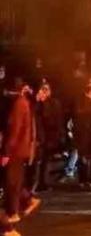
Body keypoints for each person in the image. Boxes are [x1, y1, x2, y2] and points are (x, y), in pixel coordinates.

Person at [1, 80, 41, 227]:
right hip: (20, 149)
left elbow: (14, 129)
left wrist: (6, 152)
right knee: (14, 180)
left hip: (15, 150)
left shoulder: (18, 104)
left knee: (11, 181)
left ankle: (13, 213)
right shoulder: (23, 103)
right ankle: (26, 201)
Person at [30, 82, 65, 192]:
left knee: (45, 160)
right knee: (37, 161)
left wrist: (59, 135)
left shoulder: (53, 103)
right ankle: (35, 183)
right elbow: (31, 116)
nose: (44, 92)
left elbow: (54, 120)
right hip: (38, 136)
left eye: (46, 89)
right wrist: (37, 101)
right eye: (42, 89)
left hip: (49, 136)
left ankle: (43, 182)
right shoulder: (35, 103)